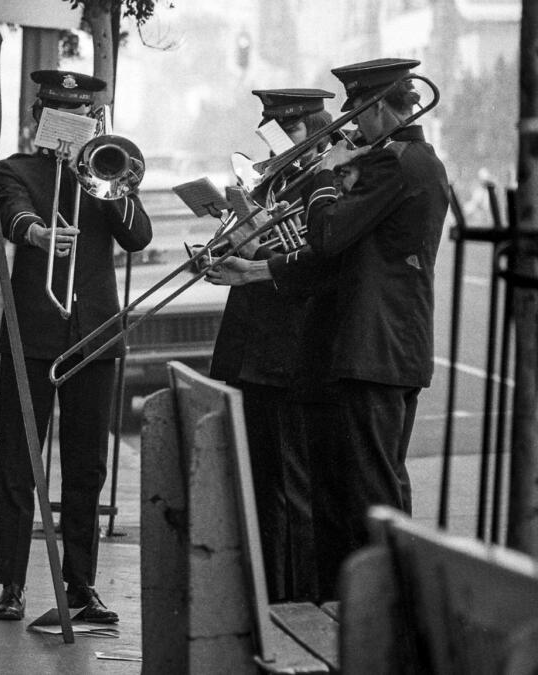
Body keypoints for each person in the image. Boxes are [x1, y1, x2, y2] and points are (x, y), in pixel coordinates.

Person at [205, 58, 449, 600]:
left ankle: (386, 618)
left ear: (381, 107)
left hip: (377, 348)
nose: (353, 130)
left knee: (370, 499)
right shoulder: (393, 160)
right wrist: (253, 268)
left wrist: (322, 174)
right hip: (366, 348)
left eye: (359, 116)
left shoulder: (398, 163)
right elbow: (329, 259)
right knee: (343, 497)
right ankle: (343, 614)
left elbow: (330, 233)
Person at [0, 70, 152, 623]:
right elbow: (14, 213)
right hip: (30, 333)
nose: (68, 123)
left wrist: (113, 179)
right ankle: (11, 583)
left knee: (87, 467)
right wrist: (36, 233)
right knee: (19, 459)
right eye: (58, 114)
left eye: (80, 115)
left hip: (94, 337)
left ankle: (80, 583)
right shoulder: (16, 169)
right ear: (41, 117)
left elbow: (139, 238)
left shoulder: (106, 171)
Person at [207, 88, 334, 602]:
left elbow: (315, 259)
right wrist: (227, 236)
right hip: (249, 349)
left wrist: (259, 248)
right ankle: (264, 592)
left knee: (290, 489)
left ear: (313, 130)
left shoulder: (324, 181)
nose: (274, 140)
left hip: (287, 350)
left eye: (287, 131)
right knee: (259, 485)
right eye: (271, 131)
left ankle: (294, 598)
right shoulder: (270, 178)